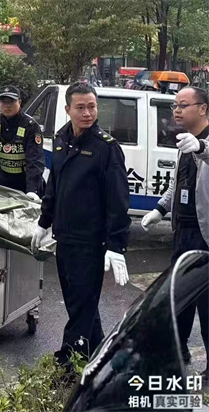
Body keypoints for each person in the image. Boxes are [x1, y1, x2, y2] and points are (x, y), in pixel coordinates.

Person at [31, 82, 131, 372]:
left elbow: (118, 200)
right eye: (81, 107)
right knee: (80, 303)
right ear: (68, 109)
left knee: (81, 307)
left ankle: (68, 365)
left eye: (92, 107)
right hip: (65, 237)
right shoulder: (61, 139)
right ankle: (102, 356)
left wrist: (116, 245)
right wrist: (44, 222)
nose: (87, 113)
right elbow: (55, 184)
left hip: (91, 242)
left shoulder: (106, 148)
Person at [142, 86, 209, 381]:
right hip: (182, 232)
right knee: (178, 296)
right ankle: (178, 353)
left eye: (183, 105)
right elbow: (177, 182)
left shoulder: (200, 142)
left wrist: (201, 148)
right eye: (175, 105)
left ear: (203, 108)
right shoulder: (185, 141)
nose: (177, 111)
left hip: (205, 235)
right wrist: (160, 209)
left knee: (206, 304)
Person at [0, 85, 45, 201]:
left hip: (25, 183)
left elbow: (35, 160)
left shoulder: (30, 126)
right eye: (3, 101)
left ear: (19, 102)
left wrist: (32, 190)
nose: (7, 105)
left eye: (11, 101)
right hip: (2, 181)